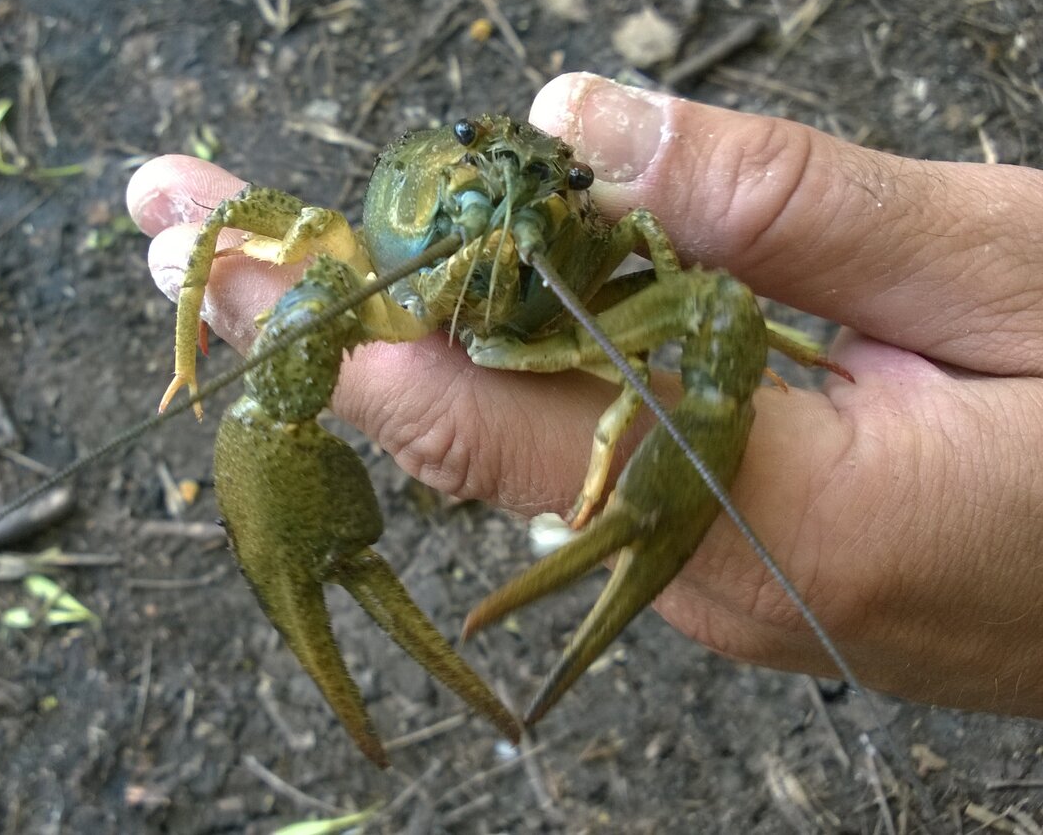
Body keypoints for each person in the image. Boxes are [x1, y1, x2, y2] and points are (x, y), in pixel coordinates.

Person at [127, 72, 1043, 720]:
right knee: (252, 301)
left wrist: (647, 409)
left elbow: (698, 295)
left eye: (550, 201)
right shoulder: (338, 252)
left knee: (713, 313)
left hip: (549, 321)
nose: (491, 228)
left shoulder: (591, 272)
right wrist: (191, 348)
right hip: (403, 289)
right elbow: (218, 234)